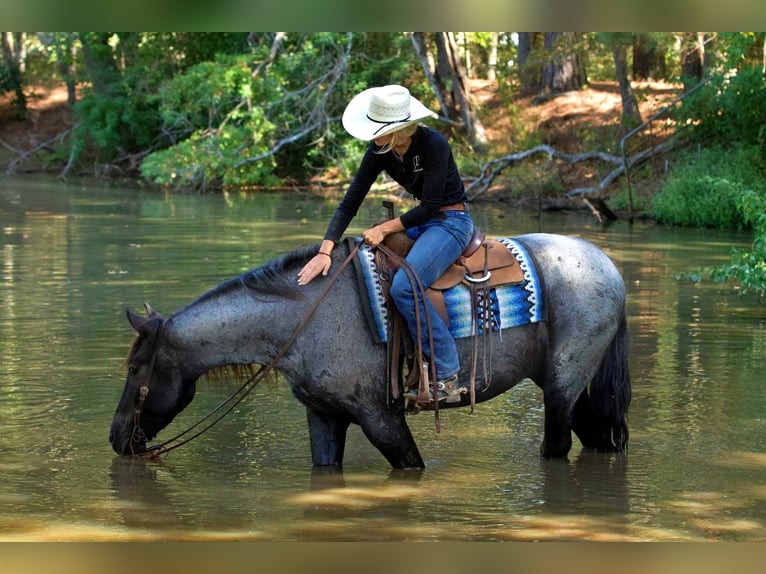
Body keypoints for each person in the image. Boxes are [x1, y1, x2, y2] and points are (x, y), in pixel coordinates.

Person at [297, 84, 474, 402]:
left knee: (404, 288)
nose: (372, 136)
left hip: (451, 222)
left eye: (380, 130)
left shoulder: (434, 144)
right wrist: (325, 250)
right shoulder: (380, 151)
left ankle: (447, 375)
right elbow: (350, 201)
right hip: (420, 223)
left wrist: (383, 228)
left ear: (400, 129)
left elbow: (431, 206)